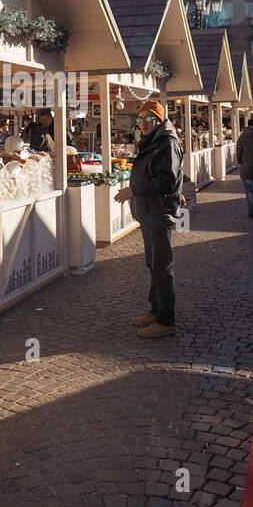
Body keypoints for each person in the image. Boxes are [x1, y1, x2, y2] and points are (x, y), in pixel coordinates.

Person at [114, 99, 183, 338]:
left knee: (162, 266)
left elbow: (166, 179)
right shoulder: (152, 141)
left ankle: (166, 321)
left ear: (159, 120)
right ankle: (155, 310)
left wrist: (133, 191)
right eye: (140, 119)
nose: (143, 124)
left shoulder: (166, 142)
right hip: (149, 210)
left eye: (149, 119)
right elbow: (165, 177)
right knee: (153, 264)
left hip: (158, 211)